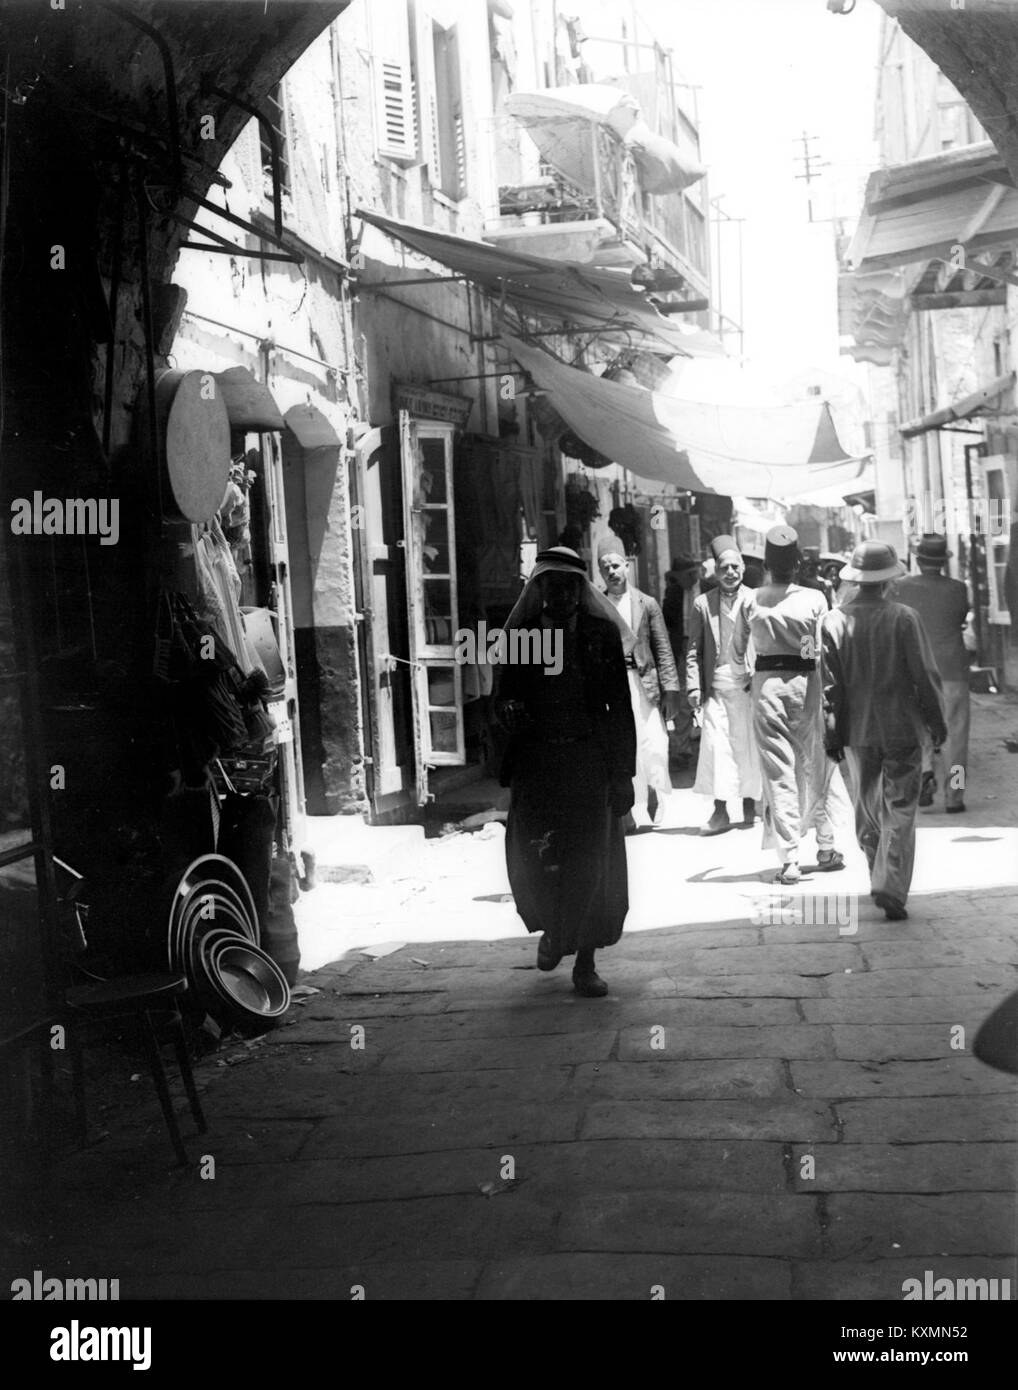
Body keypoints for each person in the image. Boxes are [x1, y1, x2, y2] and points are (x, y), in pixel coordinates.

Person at [494, 547, 636, 997]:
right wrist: (509, 714)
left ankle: (587, 964)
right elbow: (502, 700)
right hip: (538, 767)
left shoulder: (601, 635)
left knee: (592, 863)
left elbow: (619, 709)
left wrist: (622, 774)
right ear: (538, 591)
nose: (559, 595)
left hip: (589, 765)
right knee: (539, 856)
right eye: (550, 587)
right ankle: (553, 933)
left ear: (580, 590)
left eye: (567, 586)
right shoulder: (522, 638)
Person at [821, 540, 947, 921]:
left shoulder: (833, 621)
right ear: (890, 578)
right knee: (901, 806)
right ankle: (889, 882)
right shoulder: (905, 618)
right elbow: (924, 677)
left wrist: (832, 735)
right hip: (902, 727)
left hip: (858, 731)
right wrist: (937, 724)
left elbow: (831, 690)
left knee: (866, 809)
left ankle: (880, 873)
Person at [731, 525, 845, 884]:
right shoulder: (814, 599)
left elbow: (736, 654)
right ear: (797, 565)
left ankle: (790, 858)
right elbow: (818, 650)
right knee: (815, 764)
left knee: (778, 772)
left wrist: (749, 681)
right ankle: (825, 846)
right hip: (806, 687)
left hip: (766, 689)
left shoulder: (750, 599)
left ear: (766, 564)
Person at [597, 537, 680, 829]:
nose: (612, 571)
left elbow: (663, 649)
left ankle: (655, 791)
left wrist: (670, 691)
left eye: (616, 565)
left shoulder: (647, 604)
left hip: (644, 684)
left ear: (627, 567)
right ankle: (628, 811)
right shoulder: (598, 604)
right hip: (615, 687)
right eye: (605, 567)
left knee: (653, 743)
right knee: (623, 747)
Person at [686, 535, 761, 836]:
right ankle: (720, 812)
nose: (730, 572)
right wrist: (693, 686)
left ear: (742, 568)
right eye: (723, 567)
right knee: (717, 748)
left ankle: (749, 805)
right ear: (715, 571)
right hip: (716, 689)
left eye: (734, 566)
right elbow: (692, 650)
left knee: (747, 747)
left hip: (747, 686)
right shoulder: (702, 604)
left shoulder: (756, 599)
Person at [891, 534, 970, 813]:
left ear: (918, 558)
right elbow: (959, 619)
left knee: (919, 730)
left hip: (914, 672)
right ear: (943, 562)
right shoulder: (959, 589)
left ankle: (925, 772)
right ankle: (955, 795)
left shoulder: (901, 588)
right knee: (956, 738)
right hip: (952, 671)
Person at [662, 554, 704, 766]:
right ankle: (682, 748)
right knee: (684, 695)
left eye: (693, 573)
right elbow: (667, 622)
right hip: (683, 647)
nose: (691, 578)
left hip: (706, 647)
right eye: (686, 575)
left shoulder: (708, 588)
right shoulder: (674, 593)